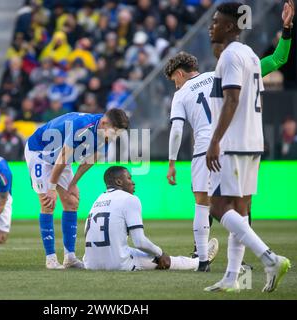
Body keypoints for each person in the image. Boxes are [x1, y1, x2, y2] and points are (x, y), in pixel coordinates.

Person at [205, 2, 290, 293]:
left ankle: (270, 258)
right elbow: (257, 99)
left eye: (215, 21)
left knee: (216, 206)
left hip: (233, 143)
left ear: (230, 26)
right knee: (240, 212)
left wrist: (215, 140)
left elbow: (232, 100)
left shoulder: (230, 57)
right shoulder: (251, 55)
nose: (211, 26)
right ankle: (232, 278)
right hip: (252, 142)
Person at [24, 108, 129, 269]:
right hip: (40, 152)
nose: (115, 136)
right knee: (47, 202)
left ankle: (70, 257)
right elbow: (63, 157)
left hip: (60, 157)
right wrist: (51, 188)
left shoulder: (105, 134)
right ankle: (51, 259)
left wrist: (73, 183)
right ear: (104, 123)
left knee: (72, 201)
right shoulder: (81, 128)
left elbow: (90, 160)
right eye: (114, 132)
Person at [83, 166, 219, 271]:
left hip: (90, 263)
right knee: (163, 259)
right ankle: (199, 260)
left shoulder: (97, 200)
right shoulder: (130, 199)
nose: (133, 183)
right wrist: (161, 254)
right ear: (119, 181)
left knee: (133, 251)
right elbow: (140, 242)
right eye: (129, 178)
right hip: (118, 263)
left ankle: (197, 258)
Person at [164, 52, 214, 272]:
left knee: (202, 204)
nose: (175, 85)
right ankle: (239, 261)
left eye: (174, 80)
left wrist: (172, 162)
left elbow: (176, 130)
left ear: (180, 73)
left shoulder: (182, 94)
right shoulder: (217, 76)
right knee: (235, 203)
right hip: (231, 145)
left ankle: (202, 261)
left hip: (205, 148)